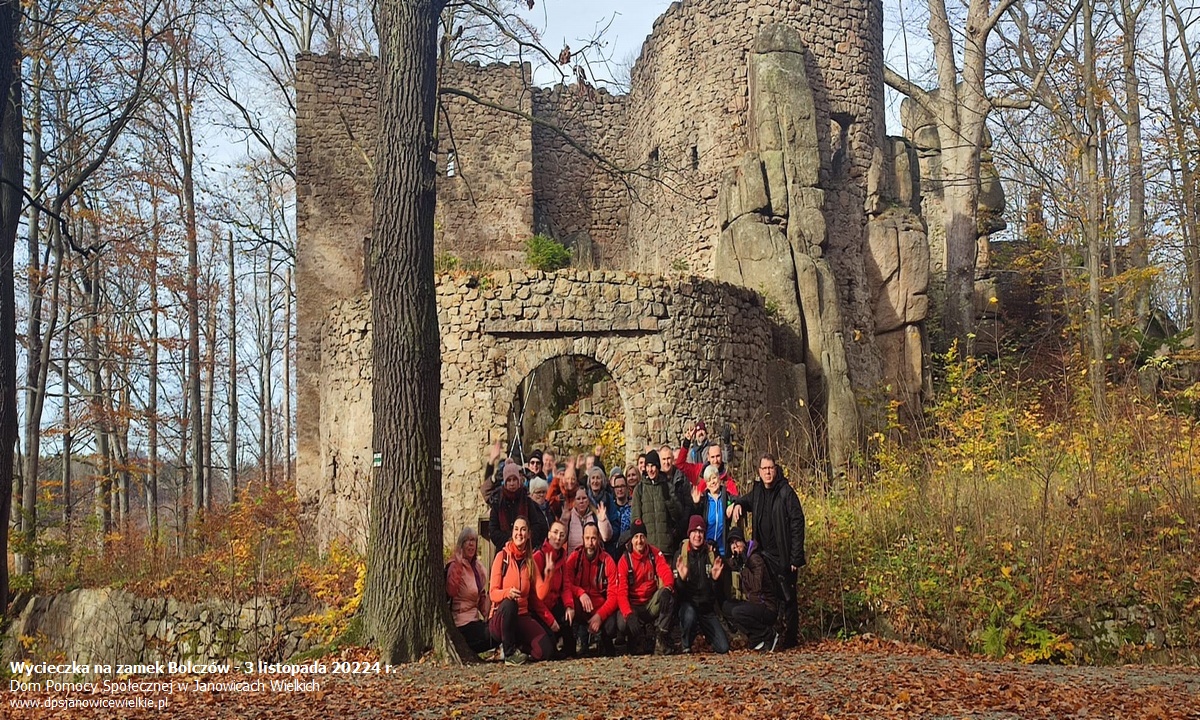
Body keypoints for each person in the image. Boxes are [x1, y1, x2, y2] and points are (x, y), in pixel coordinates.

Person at [732, 454, 806, 649]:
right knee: (769, 598)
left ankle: (790, 640)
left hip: (783, 555)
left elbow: (798, 522)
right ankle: (772, 637)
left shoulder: (785, 492)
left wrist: (796, 557)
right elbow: (744, 501)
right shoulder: (757, 492)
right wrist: (737, 505)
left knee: (788, 597)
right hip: (763, 556)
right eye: (764, 469)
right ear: (759, 472)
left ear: (776, 469)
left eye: (770, 468)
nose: (767, 472)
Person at [488, 517, 559, 664]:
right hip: (501, 618)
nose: (519, 533)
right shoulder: (502, 557)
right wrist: (507, 592)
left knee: (545, 650)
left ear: (528, 535)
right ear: (512, 533)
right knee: (510, 603)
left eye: (523, 530)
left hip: (522, 617)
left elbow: (540, 594)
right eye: (516, 529)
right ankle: (509, 653)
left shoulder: (530, 561)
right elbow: (493, 593)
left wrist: (549, 576)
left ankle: (520, 648)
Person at [614, 519, 676, 655]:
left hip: (650, 603)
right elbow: (621, 593)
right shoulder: (624, 560)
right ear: (631, 539)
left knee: (668, 596)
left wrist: (667, 588)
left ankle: (661, 637)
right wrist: (628, 614)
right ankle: (634, 639)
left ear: (646, 538)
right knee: (622, 623)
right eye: (636, 537)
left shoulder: (654, 554)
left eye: (642, 536)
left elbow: (665, 571)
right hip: (633, 606)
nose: (639, 540)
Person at [673, 515, 729, 654]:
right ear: (689, 534)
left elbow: (718, 592)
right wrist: (682, 579)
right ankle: (685, 643)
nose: (697, 535)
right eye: (694, 532)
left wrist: (716, 579)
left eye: (701, 532)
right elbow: (677, 593)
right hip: (688, 605)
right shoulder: (681, 555)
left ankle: (706, 635)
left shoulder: (711, 554)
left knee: (723, 648)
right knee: (689, 615)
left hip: (706, 608)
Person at [564, 522, 620, 656]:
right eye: (587, 538)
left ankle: (603, 640)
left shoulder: (607, 561)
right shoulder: (574, 558)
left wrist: (600, 616)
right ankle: (576, 641)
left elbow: (614, 595)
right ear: (582, 538)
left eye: (593, 538)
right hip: (580, 605)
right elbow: (566, 584)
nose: (590, 542)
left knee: (611, 626)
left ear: (599, 538)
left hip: (600, 607)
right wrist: (580, 593)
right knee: (566, 608)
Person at [722, 527, 779, 651]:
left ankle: (768, 634)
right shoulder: (740, 559)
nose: (735, 545)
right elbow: (726, 564)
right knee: (726, 607)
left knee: (738, 612)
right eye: (732, 543)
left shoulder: (754, 558)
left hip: (766, 606)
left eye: (737, 541)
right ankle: (756, 637)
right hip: (753, 604)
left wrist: (743, 568)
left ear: (744, 542)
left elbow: (756, 587)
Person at [445, 526, 495, 654]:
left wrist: (490, 616)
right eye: (467, 540)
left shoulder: (478, 567)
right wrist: (457, 566)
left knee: (498, 628)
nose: (471, 544)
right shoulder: (455, 566)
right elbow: (451, 591)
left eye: (473, 540)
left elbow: (481, 598)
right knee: (494, 633)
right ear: (461, 544)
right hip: (461, 623)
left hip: (474, 620)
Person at [533, 520, 576, 658]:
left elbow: (566, 586)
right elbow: (535, 598)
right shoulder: (538, 557)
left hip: (555, 604)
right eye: (555, 533)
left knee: (570, 639)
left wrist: (569, 606)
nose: (558, 538)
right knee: (549, 648)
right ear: (548, 534)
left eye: (562, 535)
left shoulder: (562, 558)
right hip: (540, 609)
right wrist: (550, 620)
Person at [489, 462, 548, 551]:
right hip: (504, 550)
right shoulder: (498, 503)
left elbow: (536, 525)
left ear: (518, 481)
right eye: (509, 480)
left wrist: (524, 541)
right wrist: (511, 541)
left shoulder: (527, 501)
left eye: (514, 479)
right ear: (504, 482)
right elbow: (493, 530)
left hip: (526, 550)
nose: (512, 483)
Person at [631, 450, 681, 552]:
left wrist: (668, 500)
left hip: (666, 547)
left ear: (658, 467)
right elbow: (636, 519)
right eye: (648, 466)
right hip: (647, 549)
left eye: (653, 466)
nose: (650, 470)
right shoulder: (639, 489)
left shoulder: (667, 486)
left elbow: (678, 515)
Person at [689, 465, 737, 556]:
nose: (713, 482)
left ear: (719, 479)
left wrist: (733, 504)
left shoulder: (726, 496)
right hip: (707, 549)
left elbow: (738, 499)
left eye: (714, 478)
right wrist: (696, 504)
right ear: (706, 484)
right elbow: (695, 519)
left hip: (723, 548)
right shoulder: (704, 500)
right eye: (709, 480)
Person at [562, 486, 612, 554]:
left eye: (584, 498)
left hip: (592, 557)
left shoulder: (595, 515)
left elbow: (606, 537)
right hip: (574, 560)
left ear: (588, 500)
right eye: (578, 499)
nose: (581, 501)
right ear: (574, 502)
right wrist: (564, 520)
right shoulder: (569, 516)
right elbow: (562, 539)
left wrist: (603, 521)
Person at [606, 468, 633, 558]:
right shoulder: (609, 508)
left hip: (628, 551)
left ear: (627, 488)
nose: (620, 489)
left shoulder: (633, 507)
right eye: (617, 487)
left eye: (622, 486)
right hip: (611, 551)